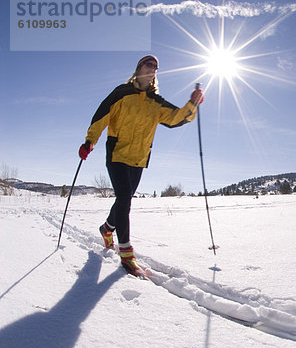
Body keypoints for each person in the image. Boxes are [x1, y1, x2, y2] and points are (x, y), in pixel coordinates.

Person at [78, 55, 204, 277]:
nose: (152, 68)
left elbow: (176, 118)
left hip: (138, 159)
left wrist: (192, 103)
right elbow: (101, 117)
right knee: (124, 196)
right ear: (138, 69)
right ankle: (126, 254)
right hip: (117, 153)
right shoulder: (121, 93)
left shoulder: (156, 102)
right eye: (148, 64)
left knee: (123, 200)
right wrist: (90, 142)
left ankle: (107, 228)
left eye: (155, 66)